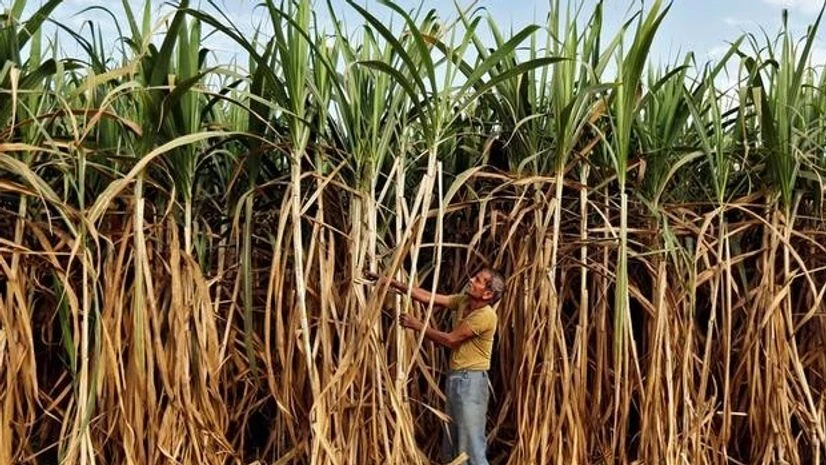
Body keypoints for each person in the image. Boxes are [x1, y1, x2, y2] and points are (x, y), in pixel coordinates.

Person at [364, 268, 506, 465]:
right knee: (454, 444)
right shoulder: (464, 302)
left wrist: (417, 325)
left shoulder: (485, 316)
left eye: (479, 280)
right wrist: (391, 282)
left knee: (472, 447)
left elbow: (450, 340)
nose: (471, 280)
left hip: (471, 383)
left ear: (488, 294)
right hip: (457, 378)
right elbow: (428, 297)